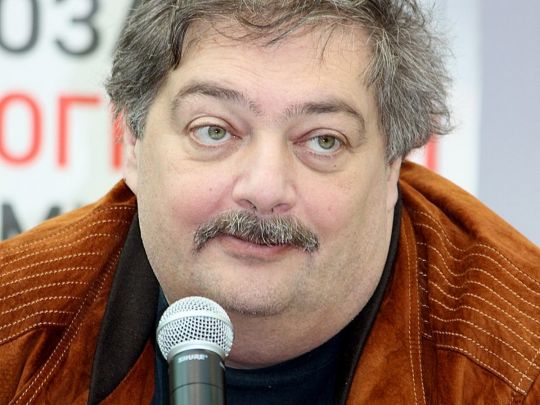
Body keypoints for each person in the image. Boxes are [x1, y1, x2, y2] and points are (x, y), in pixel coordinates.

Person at [1, 0, 539, 403]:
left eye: (323, 140)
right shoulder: (15, 326)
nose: (264, 188)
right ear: (133, 144)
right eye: (214, 131)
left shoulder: (520, 361)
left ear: (393, 165)